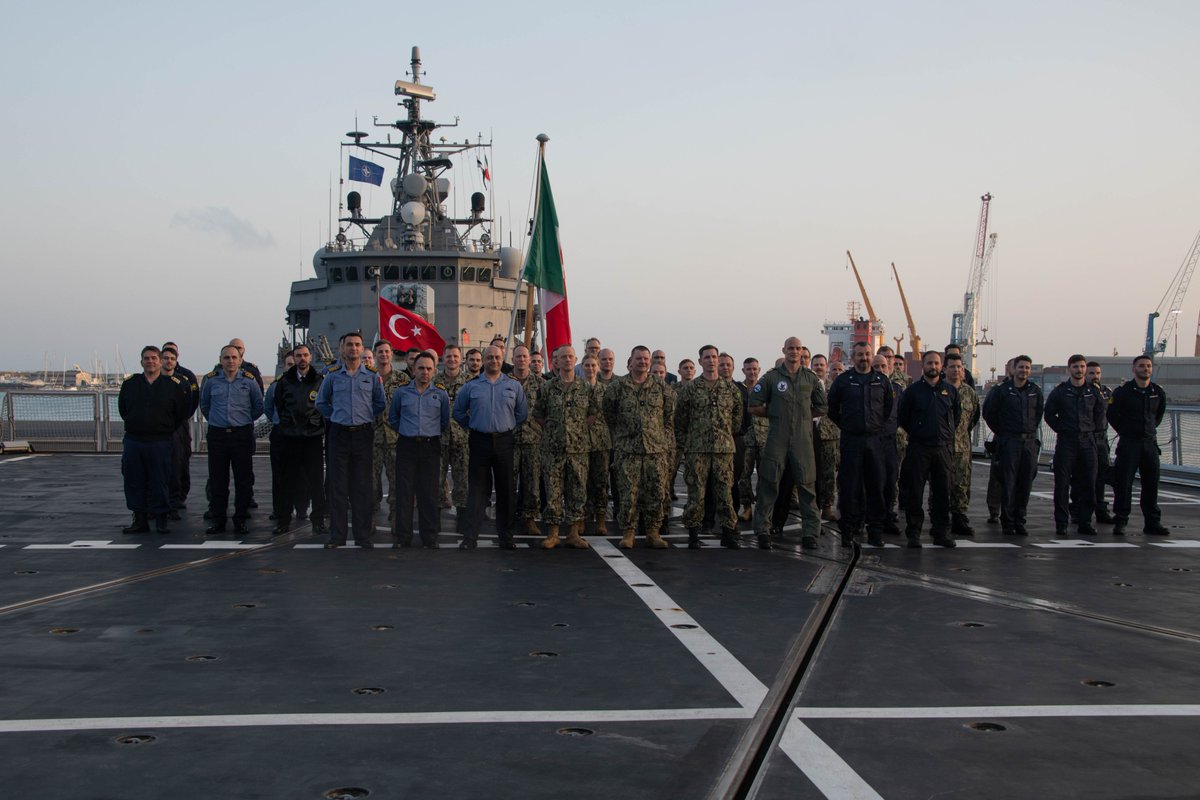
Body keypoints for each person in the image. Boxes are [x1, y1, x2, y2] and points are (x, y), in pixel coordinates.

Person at [749, 337, 827, 550]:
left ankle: (810, 532)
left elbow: (822, 407)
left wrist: (802, 416)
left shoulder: (810, 379)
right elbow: (754, 405)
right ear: (784, 350)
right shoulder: (771, 378)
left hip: (803, 439)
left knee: (807, 485)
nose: (794, 352)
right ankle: (763, 530)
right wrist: (775, 414)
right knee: (768, 483)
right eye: (790, 348)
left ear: (802, 352)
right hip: (777, 438)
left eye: (798, 348)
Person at [453, 344, 528, 549]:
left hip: (504, 441)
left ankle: (506, 536)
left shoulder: (514, 386)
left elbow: (522, 414)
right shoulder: (471, 386)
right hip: (479, 440)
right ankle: (470, 536)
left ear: (502, 360)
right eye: (489, 358)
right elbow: (458, 412)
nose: (493, 361)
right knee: (477, 490)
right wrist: (473, 426)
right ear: (483, 361)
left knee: (506, 490)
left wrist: (506, 426)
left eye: (497, 357)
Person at [315, 332, 386, 548]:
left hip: (363, 434)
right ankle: (338, 536)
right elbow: (321, 402)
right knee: (337, 487)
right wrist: (337, 416)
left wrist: (363, 416)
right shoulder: (332, 375)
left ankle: (362, 535)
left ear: (362, 348)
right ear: (342, 349)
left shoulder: (372, 376)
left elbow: (379, 403)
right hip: (339, 434)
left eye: (357, 345)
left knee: (362, 486)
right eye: (349, 345)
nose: (354, 349)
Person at [603, 345, 674, 549]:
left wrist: (658, 437)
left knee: (656, 492)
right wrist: (623, 436)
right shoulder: (617, 387)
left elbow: (668, 417)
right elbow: (609, 414)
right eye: (639, 359)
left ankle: (653, 531)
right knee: (628, 493)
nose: (643, 362)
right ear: (631, 361)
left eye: (646, 359)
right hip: (628, 450)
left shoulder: (661, 387)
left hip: (655, 450)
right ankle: (628, 532)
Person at [676, 345, 744, 549]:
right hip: (697, 448)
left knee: (725, 491)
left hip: (723, 449)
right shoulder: (690, 389)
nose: (712, 361)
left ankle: (728, 531)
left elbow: (737, 419)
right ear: (700, 361)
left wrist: (723, 435)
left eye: (714, 357)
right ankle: (694, 532)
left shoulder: (731, 389)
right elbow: (681, 418)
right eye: (707, 357)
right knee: (697, 492)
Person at [826, 341, 893, 547]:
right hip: (851, 440)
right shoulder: (844, 381)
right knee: (849, 487)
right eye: (859, 355)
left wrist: (875, 427)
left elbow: (887, 409)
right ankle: (848, 530)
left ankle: (875, 531)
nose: (864, 358)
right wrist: (848, 426)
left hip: (874, 441)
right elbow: (832, 409)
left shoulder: (882, 381)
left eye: (867, 354)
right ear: (852, 358)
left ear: (871, 356)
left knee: (876, 486)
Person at [118, 346, 191, 534]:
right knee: (134, 480)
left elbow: (180, 413)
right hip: (135, 440)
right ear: (141, 361)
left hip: (160, 441)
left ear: (160, 361)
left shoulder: (172, 386)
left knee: (161, 480)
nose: (150, 361)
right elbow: (123, 410)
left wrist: (163, 429)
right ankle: (139, 519)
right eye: (146, 358)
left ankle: (161, 519)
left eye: (153, 358)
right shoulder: (131, 384)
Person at [532, 345, 598, 549]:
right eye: (563, 357)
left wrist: (576, 430)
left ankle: (573, 533)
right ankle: (553, 534)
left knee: (577, 491)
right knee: (553, 492)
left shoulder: (586, 387)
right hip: (553, 450)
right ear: (556, 362)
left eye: (570, 356)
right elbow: (538, 415)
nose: (567, 360)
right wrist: (555, 431)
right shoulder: (547, 387)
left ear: (575, 359)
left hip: (579, 449)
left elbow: (593, 413)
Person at [897, 351, 960, 548]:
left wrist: (945, 433)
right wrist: (918, 432)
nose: (933, 366)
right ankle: (913, 533)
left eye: (936, 363)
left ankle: (941, 533)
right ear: (923, 366)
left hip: (942, 449)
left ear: (941, 366)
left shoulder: (950, 391)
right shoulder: (913, 391)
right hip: (919, 448)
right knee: (914, 492)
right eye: (929, 363)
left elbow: (955, 416)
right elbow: (903, 417)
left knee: (942, 493)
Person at [387, 351, 450, 548]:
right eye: (421, 368)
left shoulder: (440, 394)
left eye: (429, 369)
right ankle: (403, 537)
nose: (425, 372)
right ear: (413, 370)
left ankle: (429, 537)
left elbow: (444, 421)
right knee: (404, 493)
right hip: (407, 445)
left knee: (429, 493)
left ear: (434, 371)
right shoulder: (401, 393)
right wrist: (408, 432)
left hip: (430, 446)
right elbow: (394, 418)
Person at [200, 344, 264, 535]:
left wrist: (242, 421)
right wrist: (218, 420)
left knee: (243, 480)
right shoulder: (211, 381)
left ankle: (240, 519)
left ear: (240, 360)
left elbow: (258, 406)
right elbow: (204, 405)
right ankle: (219, 520)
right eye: (226, 357)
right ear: (220, 360)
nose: (230, 361)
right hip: (218, 435)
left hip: (241, 435)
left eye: (234, 357)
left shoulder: (249, 381)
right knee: (218, 480)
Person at [1044, 354, 1107, 536]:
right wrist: (1063, 429)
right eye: (1075, 367)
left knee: (1089, 484)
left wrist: (1092, 433)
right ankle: (1061, 523)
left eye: (1081, 367)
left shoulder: (1093, 392)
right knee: (1062, 484)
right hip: (1067, 442)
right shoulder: (1061, 392)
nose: (1079, 370)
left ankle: (1085, 521)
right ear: (1069, 369)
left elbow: (1099, 415)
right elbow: (1049, 415)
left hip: (1088, 442)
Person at [982, 355, 1044, 536]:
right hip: (1009, 442)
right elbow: (989, 413)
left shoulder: (1035, 391)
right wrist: (1003, 433)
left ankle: (1020, 520)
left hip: (1029, 443)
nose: (1023, 370)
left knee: (1025, 484)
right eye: (1021, 367)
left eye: (1027, 368)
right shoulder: (1001, 390)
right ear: (1013, 369)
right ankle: (1008, 522)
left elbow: (1038, 413)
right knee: (1008, 483)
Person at [1108, 355, 1168, 536]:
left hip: (1149, 444)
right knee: (1123, 484)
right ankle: (1121, 521)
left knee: (1151, 485)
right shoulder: (1123, 392)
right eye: (1141, 366)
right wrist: (1126, 431)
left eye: (1148, 366)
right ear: (1134, 369)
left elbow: (1158, 417)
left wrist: (1147, 431)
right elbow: (1112, 415)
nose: (1145, 369)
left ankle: (1152, 522)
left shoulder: (1158, 392)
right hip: (1129, 444)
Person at [272, 344, 327, 535]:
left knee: (316, 482)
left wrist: (316, 426)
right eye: (298, 356)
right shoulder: (284, 382)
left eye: (305, 355)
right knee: (287, 482)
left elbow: (325, 406)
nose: (302, 359)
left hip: (312, 438)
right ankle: (283, 521)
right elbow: (279, 405)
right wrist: (289, 425)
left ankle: (318, 521)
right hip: (291, 438)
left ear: (310, 357)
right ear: (293, 359)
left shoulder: (320, 381)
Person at [371, 340, 411, 520]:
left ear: (392, 354)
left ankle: (395, 513)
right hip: (372, 437)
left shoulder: (403, 380)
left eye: (387, 352)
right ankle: (371, 512)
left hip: (396, 437)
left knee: (396, 478)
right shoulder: (368, 377)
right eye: (380, 352)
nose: (384, 355)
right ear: (375, 354)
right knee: (371, 479)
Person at [159, 344, 199, 519]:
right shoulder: (155, 379)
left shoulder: (185, 377)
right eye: (165, 356)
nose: (169, 361)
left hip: (179, 426)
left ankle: (177, 499)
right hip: (159, 429)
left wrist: (182, 419)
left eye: (172, 357)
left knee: (179, 463)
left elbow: (193, 401)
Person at [944, 352, 980, 536]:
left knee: (962, 484)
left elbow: (974, 417)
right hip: (943, 446)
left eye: (959, 367)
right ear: (945, 369)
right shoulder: (939, 390)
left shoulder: (969, 393)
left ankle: (959, 517)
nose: (956, 370)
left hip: (963, 447)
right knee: (941, 484)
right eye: (952, 366)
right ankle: (941, 520)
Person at [510, 344, 544, 536]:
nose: (522, 360)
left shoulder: (541, 385)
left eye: (525, 356)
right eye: (518, 356)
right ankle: (508, 517)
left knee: (532, 484)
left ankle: (529, 518)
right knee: (508, 481)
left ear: (529, 360)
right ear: (513, 359)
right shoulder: (503, 382)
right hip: (510, 440)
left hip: (533, 441)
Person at [436, 344, 471, 523]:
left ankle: (463, 518)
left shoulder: (470, 383)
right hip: (438, 439)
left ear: (461, 359)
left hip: (462, 439)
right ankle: (434, 521)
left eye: (455, 356)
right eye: (448, 356)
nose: (452, 360)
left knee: (462, 480)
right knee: (436, 480)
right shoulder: (434, 382)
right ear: (443, 359)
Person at [580, 353, 611, 533]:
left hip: (601, 443)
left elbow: (614, 415)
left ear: (598, 368)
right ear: (582, 367)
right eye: (587, 365)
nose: (591, 369)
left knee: (600, 483)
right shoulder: (577, 389)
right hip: (580, 443)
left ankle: (600, 519)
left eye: (593, 365)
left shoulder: (607, 391)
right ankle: (582, 518)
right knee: (581, 482)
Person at [984, 358, 1016, 523]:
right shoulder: (999, 390)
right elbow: (988, 412)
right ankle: (994, 510)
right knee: (997, 476)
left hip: (1020, 440)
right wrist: (1000, 430)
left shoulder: (1030, 390)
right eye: (1014, 366)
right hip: (1003, 438)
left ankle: (1013, 511)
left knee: (1018, 477)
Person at [1083, 361, 1115, 524]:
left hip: (1101, 439)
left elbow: (1115, 414)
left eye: (1097, 373)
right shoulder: (1081, 391)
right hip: (1085, 438)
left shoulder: (1106, 392)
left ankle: (1101, 510)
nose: (1095, 376)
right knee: (1083, 477)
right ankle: (1079, 510)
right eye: (1091, 373)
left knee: (1102, 476)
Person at [811, 353, 841, 523]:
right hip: (810, 435)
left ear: (826, 367)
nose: (819, 368)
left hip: (829, 435)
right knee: (811, 474)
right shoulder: (807, 385)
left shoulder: (834, 387)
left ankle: (827, 506)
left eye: (822, 365)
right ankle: (812, 507)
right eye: (816, 365)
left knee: (829, 474)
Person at [738, 357, 767, 522]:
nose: (752, 372)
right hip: (746, 438)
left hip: (764, 438)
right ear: (743, 371)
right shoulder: (738, 389)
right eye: (749, 369)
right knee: (744, 475)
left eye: (755, 369)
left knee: (765, 475)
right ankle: (747, 507)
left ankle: (762, 510)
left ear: (759, 369)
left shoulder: (766, 389)